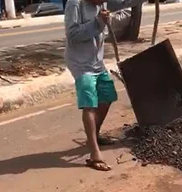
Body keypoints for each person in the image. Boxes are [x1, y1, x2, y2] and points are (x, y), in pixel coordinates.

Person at [64, 0, 117, 171]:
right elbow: (72, 35)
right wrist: (97, 23)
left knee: (107, 96)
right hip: (80, 63)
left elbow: (103, 29)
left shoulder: (101, 4)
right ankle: (95, 154)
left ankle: (93, 135)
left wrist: (106, 21)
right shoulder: (75, 4)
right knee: (90, 104)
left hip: (97, 62)